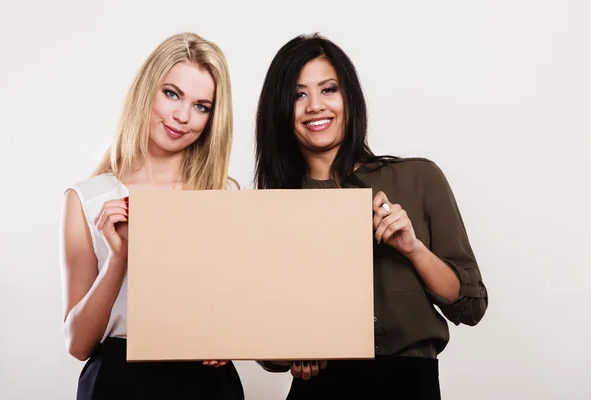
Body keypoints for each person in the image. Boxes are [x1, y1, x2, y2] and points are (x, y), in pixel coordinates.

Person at [253, 33, 488, 399]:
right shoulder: (273, 209)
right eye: (298, 94)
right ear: (280, 109)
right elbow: (264, 339)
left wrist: (413, 249)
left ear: (349, 98)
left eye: (328, 89)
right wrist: (291, 349)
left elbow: (471, 306)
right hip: (319, 388)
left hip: (409, 384)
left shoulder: (418, 177)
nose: (315, 105)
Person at [59, 32, 244, 400]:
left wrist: (231, 337)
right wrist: (119, 259)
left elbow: (244, 308)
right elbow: (78, 345)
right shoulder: (89, 198)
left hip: (206, 384)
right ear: (147, 91)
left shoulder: (224, 196)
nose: (182, 116)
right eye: (172, 94)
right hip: (118, 381)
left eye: (201, 106)